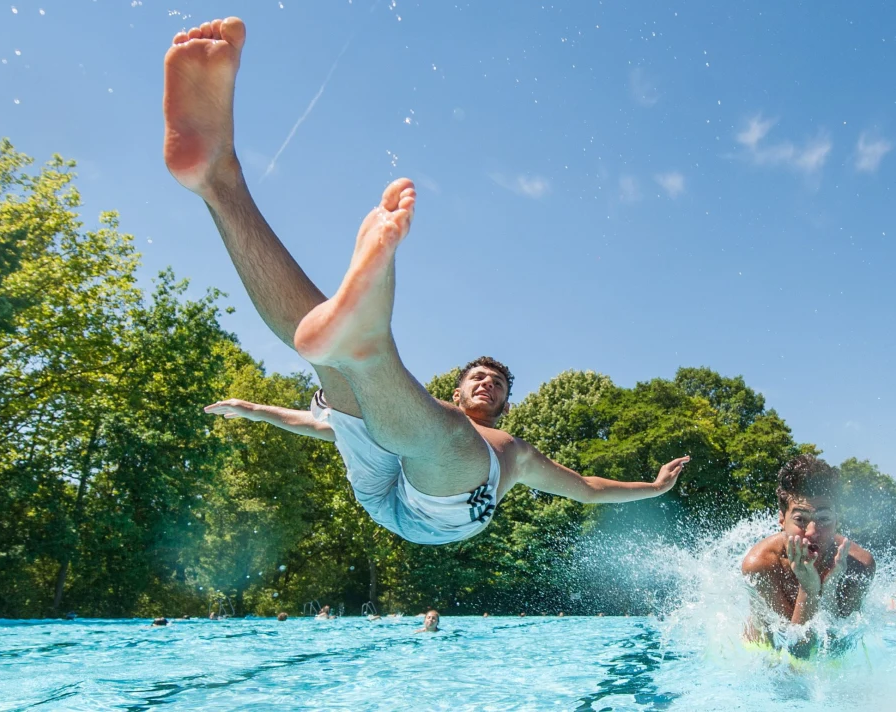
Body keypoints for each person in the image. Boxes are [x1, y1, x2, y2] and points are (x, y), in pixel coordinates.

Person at [163, 17, 692, 547]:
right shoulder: (429, 410)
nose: (487, 383)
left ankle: (366, 346)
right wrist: (254, 411)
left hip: (435, 512)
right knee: (343, 378)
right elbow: (319, 425)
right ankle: (219, 181)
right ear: (458, 390)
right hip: (389, 454)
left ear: (505, 404)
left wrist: (654, 487)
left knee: (444, 434)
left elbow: (589, 489)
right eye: (478, 378)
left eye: (497, 383)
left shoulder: (518, 452)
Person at [741, 454, 876, 658]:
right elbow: (794, 654)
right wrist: (809, 589)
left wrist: (829, 588)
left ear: (836, 519)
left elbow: (836, 651)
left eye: (823, 518)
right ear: (781, 519)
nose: (812, 531)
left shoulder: (859, 564)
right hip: (763, 651)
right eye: (800, 519)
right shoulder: (761, 564)